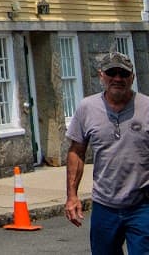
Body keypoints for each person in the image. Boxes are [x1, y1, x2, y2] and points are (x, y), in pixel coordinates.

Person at [66, 48, 149, 255]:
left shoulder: (146, 107)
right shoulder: (87, 108)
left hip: (142, 205)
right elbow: (76, 151)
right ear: (101, 75)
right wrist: (72, 196)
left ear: (132, 77)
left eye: (124, 74)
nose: (118, 78)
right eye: (112, 73)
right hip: (105, 206)